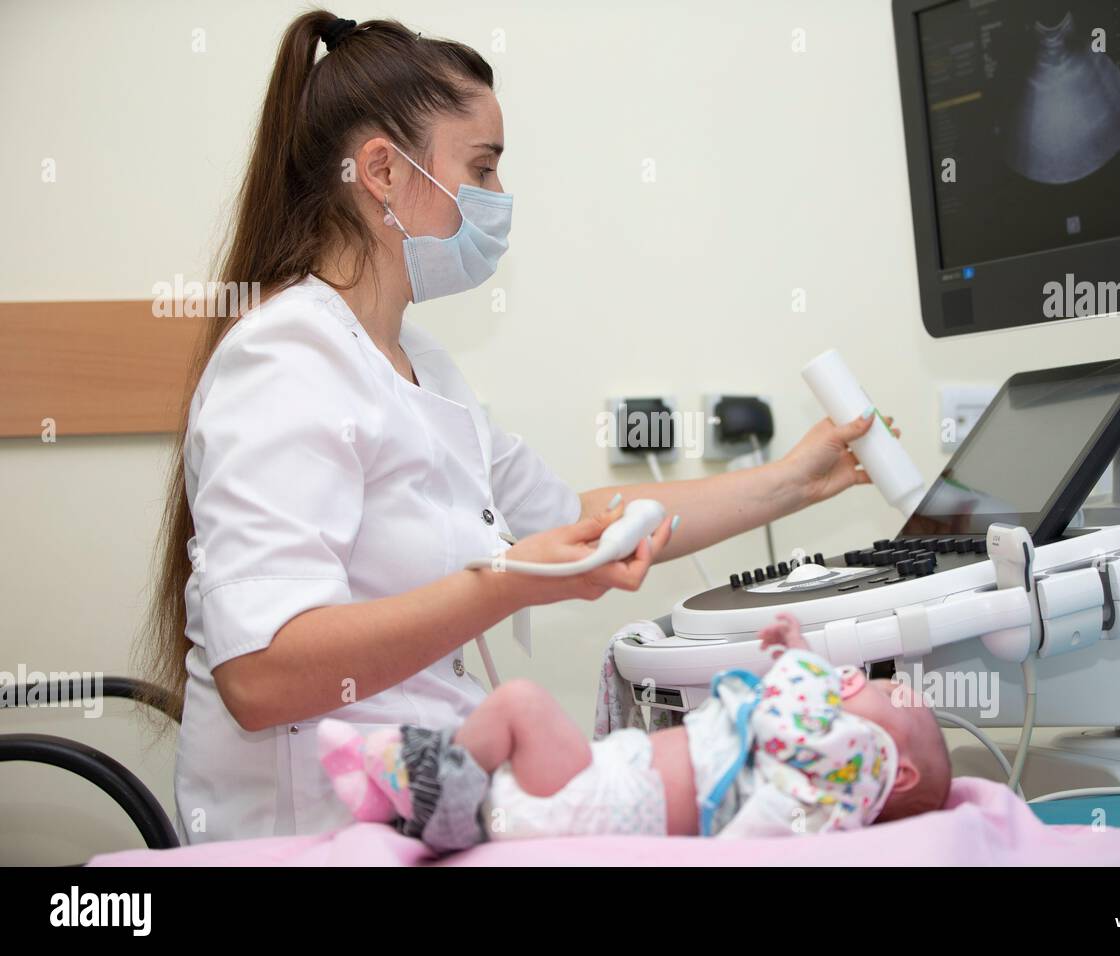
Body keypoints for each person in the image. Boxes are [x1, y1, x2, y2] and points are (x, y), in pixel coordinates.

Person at [139, 11, 892, 844]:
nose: (498, 201)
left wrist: (794, 480)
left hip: (428, 811)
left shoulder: (417, 363)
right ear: (383, 171)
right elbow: (263, 673)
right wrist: (505, 581)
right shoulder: (285, 361)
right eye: (483, 169)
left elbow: (577, 521)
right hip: (316, 833)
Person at [319, 611, 951, 850]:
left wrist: (804, 663)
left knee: (520, 704)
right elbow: (797, 727)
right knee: (512, 727)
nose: (859, 682)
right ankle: (411, 792)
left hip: (608, 799)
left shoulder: (856, 773)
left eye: (889, 694)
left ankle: (432, 795)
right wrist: (800, 661)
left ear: (901, 772)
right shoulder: (814, 780)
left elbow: (797, 725)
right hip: (606, 785)